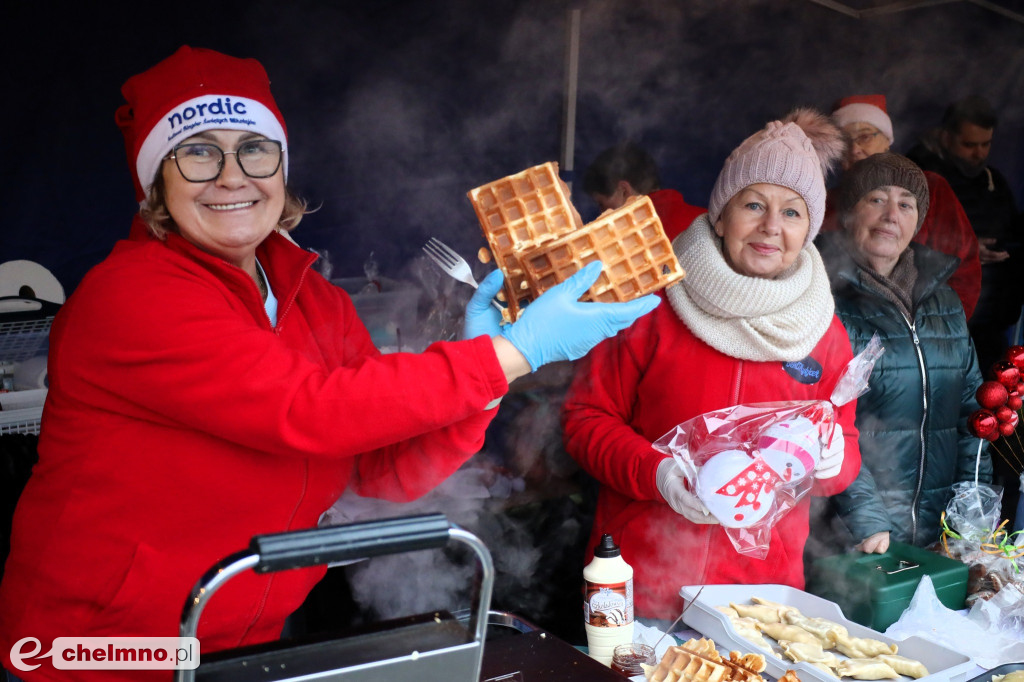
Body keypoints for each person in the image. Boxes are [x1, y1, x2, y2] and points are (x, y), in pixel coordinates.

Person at [0, 46, 661, 680]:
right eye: (198, 154)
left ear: (281, 166)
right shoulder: (132, 294)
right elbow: (309, 409)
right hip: (99, 649)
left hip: (239, 639)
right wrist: (509, 354)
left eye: (254, 149)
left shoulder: (309, 297)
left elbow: (383, 464)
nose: (232, 175)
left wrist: (487, 381)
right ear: (156, 182)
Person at [562, 109, 862, 620]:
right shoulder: (650, 307)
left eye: (792, 212)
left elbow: (847, 450)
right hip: (641, 586)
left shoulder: (824, 332)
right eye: (753, 204)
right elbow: (584, 421)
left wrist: (834, 464)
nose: (771, 226)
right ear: (721, 215)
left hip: (760, 601)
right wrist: (656, 473)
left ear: (810, 228)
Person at [815, 153, 993, 554]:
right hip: (852, 537)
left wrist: (972, 516)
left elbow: (972, 417)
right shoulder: (820, 298)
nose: (891, 214)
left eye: (906, 204)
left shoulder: (944, 302)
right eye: (876, 199)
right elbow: (820, 421)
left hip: (939, 536)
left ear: (917, 220)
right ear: (848, 214)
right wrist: (868, 524)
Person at [822, 94, 981, 320]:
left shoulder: (932, 189)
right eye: (844, 142)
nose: (855, 149)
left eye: (865, 136)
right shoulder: (826, 204)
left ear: (887, 140)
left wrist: (944, 328)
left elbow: (965, 269)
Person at [907, 95, 1023, 371]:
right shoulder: (918, 176)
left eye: (986, 144)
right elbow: (904, 246)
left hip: (992, 320)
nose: (979, 153)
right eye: (969, 144)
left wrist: (1005, 248)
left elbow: (1012, 230)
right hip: (938, 320)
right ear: (946, 137)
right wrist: (966, 251)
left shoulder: (993, 180)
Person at [582, 142, 705, 241]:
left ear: (624, 190)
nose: (601, 214)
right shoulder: (708, 220)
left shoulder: (628, 239)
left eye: (601, 204)